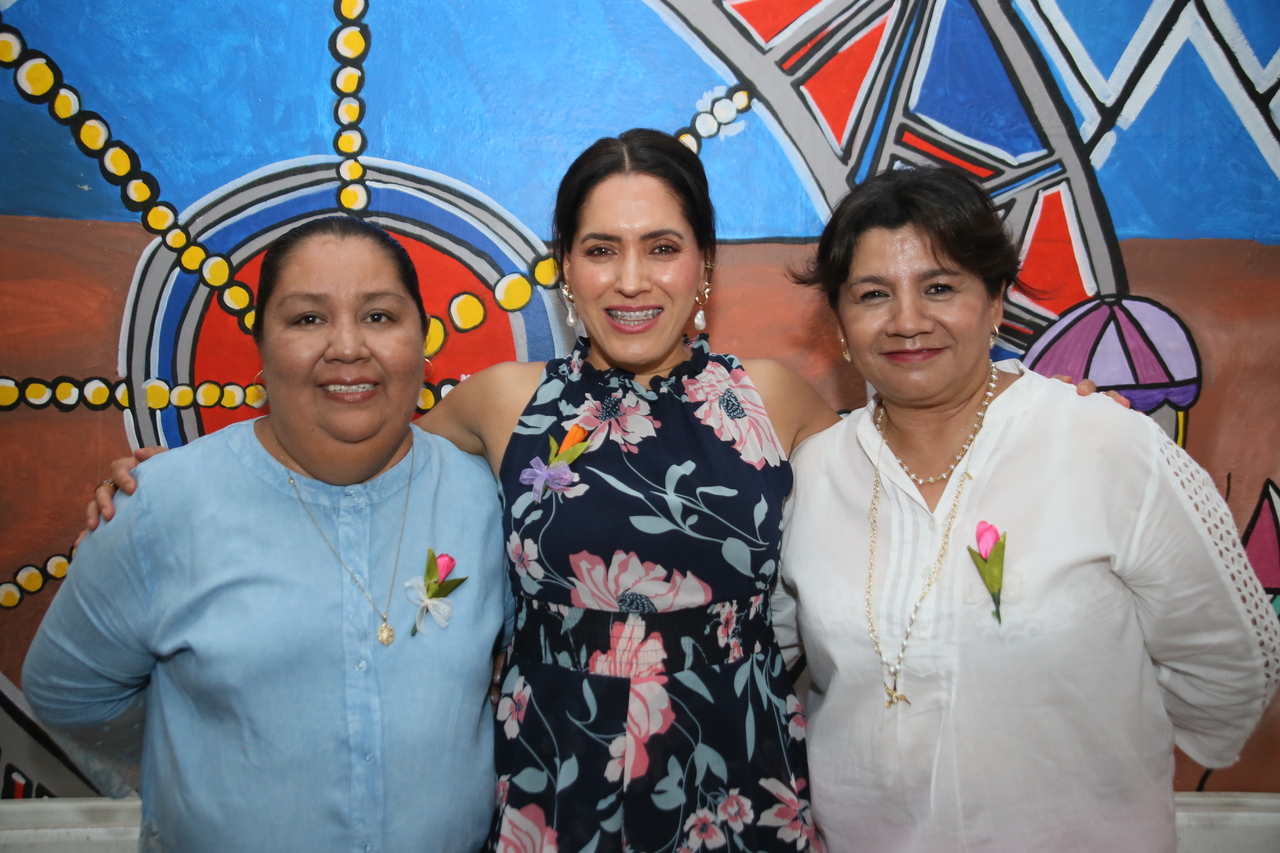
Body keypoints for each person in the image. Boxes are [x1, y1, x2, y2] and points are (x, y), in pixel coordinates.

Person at [778, 165, 1280, 852]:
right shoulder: (811, 475)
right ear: (838, 321)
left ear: (996, 301)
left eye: (940, 287)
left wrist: (1096, 754)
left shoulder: (1102, 443)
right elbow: (764, 654)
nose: (906, 320)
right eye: (872, 294)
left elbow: (1228, 664)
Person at [23, 216, 510, 852]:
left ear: (422, 339)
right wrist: (196, 770)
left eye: (380, 316)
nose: (346, 347)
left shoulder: (489, 499)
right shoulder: (162, 506)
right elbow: (68, 694)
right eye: (307, 319)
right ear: (261, 347)